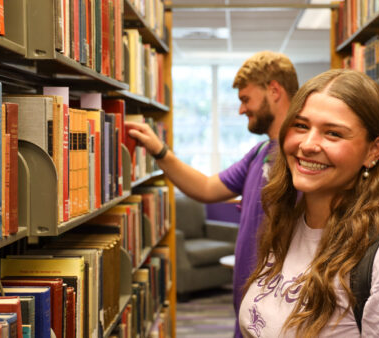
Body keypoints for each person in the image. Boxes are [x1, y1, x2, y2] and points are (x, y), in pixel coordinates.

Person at [239, 69, 379, 337]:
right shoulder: (287, 225)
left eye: (333, 134)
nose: (308, 144)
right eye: (301, 126)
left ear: (374, 150)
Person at [124, 51, 299, 337]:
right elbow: (206, 188)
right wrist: (160, 151)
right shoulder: (258, 154)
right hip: (247, 316)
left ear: (274, 90)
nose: (241, 110)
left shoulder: (302, 159)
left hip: (281, 321)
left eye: (245, 99)